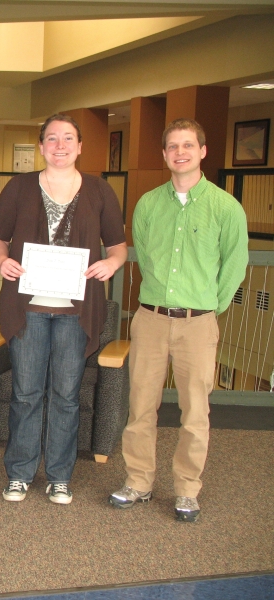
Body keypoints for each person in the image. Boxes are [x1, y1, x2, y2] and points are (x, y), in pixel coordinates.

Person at [110, 118, 248, 522]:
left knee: (195, 412)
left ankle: (187, 489)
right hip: (150, 319)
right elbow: (147, 261)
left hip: (198, 324)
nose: (180, 152)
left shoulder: (227, 208)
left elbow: (234, 268)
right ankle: (138, 481)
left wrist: (206, 308)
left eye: (188, 145)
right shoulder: (149, 204)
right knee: (140, 407)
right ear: (165, 154)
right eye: (172, 146)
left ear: (203, 151)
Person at [0, 114, 127, 505]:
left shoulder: (100, 191)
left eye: (68, 138)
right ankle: (19, 473)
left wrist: (111, 264)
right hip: (27, 308)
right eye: (52, 139)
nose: (60, 145)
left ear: (80, 146)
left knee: (66, 395)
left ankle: (60, 476)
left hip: (76, 312)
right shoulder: (18, 187)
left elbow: (118, 247)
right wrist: (1, 262)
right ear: (41, 146)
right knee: (26, 393)